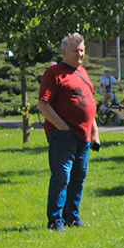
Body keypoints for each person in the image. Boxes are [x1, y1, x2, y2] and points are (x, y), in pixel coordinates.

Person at [37, 33, 99, 232]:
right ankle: (54, 221)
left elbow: (90, 104)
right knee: (61, 176)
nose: (80, 54)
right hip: (63, 135)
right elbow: (42, 104)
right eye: (76, 50)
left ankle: (72, 217)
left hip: (84, 136)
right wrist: (62, 126)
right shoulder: (54, 73)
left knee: (79, 177)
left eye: (82, 50)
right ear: (64, 52)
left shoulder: (83, 72)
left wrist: (95, 132)